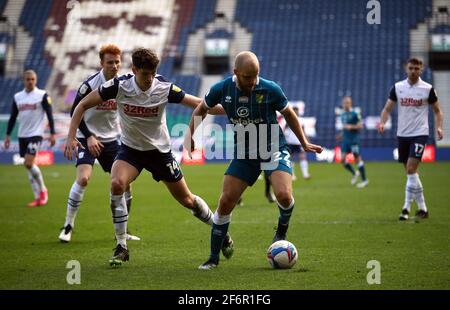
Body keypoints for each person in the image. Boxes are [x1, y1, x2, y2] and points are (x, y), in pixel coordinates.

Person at [64, 47, 233, 266]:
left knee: (187, 200)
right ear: (134, 70)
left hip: (160, 153)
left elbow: (201, 104)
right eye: (145, 74)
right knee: (117, 184)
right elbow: (82, 105)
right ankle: (121, 246)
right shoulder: (119, 86)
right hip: (130, 150)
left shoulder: (163, 87)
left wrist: (234, 109)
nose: (150, 78)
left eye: (153, 73)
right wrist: (71, 137)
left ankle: (220, 231)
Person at [185, 51, 323, 270]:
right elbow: (202, 108)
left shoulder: (270, 88)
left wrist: (304, 142)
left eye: (256, 75)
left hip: (273, 148)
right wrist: (190, 134)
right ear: (236, 73)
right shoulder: (222, 89)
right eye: (248, 77)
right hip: (245, 153)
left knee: (284, 196)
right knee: (225, 202)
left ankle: (281, 230)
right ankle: (213, 257)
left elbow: (289, 114)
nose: (253, 81)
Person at [58, 44, 139, 243]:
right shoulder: (89, 85)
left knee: (125, 184)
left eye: (117, 61)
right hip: (88, 138)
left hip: (112, 140)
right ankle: (68, 225)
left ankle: (123, 229)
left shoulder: (125, 84)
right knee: (83, 179)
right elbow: (74, 111)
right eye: (110, 62)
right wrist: (88, 136)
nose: (114, 65)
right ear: (101, 63)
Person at [379, 57, 443, 220]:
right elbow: (387, 109)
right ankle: (423, 209)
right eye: (411, 68)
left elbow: (437, 110)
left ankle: (405, 209)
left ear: (421, 70)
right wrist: (382, 122)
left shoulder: (427, 89)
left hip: (420, 133)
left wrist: (439, 126)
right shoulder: (398, 88)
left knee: (410, 169)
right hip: (403, 134)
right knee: (411, 174)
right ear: (406, 69)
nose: (414, 71)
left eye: (417, 68)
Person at [4, 70, 55, 207]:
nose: (30, 81)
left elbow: (50, 115)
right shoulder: (18, 97)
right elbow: (13, 117)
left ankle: (43, 190)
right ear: (23, 80)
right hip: (22, 135)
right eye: (28, 79)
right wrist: (8, 135)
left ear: (36, 80)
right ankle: (37, 197)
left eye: (33, 79)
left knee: (28, 163)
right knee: (29, 166)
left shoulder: (42, 95)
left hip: (36, 134)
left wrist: (52, 133)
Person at [339, 96, 369, 188]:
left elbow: (360, 126)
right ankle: (355, 173)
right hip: (345, 140)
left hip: (354, 140)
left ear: (351, 103)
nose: (346, 104)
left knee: (357, 159)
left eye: (348, 102)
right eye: (345, 103)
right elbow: (344, 127)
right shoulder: (342, 114)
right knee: (342, 159)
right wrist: (341, 134)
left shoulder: (355, 113)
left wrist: (351, 127)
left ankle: (364, 180)